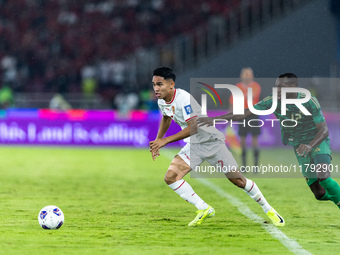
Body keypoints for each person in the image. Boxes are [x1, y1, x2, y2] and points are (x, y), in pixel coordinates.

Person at [149, 67, 284, 227]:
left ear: (171, 84)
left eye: (160, 84)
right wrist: (158, 140)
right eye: (154, 84)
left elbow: (194, 127)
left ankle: (269, 209)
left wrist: (166, 141)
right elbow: (166, 117)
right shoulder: (161, 100)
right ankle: (203, 208)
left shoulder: (184, 98)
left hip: (212, 142)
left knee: (239, 181)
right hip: (194, 145)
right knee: (171, 178)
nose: (156, 88)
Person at [197, 73, 340, 210]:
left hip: (317, 142)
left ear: (292, 86)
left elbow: (324, 130)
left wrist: (310, 145)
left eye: (281, 87)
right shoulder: (273, 100)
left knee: (324, 177)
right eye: (276, 86)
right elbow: (246, 112)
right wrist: (215, 119)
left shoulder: (308, 100)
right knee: (319, 194)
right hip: (299, 146)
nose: (277, 90)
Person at [230, 68, 261, 167]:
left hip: (252, 113)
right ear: (241, 75)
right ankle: (244, 166)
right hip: (241, 114)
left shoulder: (255, 86)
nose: (247, 76)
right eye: (245, 74)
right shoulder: (238, 86)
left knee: (254, 140)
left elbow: (251, 96)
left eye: (249, 74)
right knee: (242, 140)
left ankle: (255, 165)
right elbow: (232, 101)